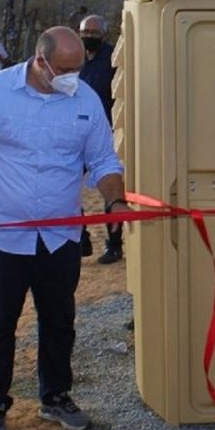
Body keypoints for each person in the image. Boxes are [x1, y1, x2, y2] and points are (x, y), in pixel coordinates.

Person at [0, 26, 129, 430]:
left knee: (60, 321)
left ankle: (56, 396)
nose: (72, 77)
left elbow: (102, 158)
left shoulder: (84, 99)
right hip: (2, 240)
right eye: (63, 69)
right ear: (39, 61)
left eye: (77, 68)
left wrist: (115, 201)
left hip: (61, 237)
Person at [78, 14, 124, 264]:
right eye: (85, 33)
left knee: (110, 189)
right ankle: (80, 237)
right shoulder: (76, 60)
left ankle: (114, 245)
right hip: (79, 133)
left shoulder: (112, 60)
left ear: (103, 35)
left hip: (107, 135)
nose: (89, 38)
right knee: (68, 185)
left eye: (94, 33)